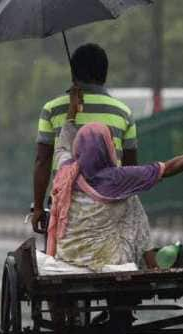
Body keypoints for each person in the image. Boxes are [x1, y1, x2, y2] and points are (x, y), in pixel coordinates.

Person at [46, 85, 183, 334]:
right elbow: (170, 167)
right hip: (112, 259)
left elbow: (62, 144)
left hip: (70, 256)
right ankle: (148, 257)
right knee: (132, 199)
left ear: (78, 152)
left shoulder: (66, 171)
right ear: (108, 149)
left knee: (128, 200)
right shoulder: (119, 178)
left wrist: (72, 115)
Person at [33, 43, 138, 233]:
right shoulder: (124, 113)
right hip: (110, 205)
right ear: (104, 74)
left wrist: (39, 207)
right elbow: (130, 168)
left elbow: (43, 160)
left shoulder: (52, 109)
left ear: (73, 73)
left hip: (65, 206)